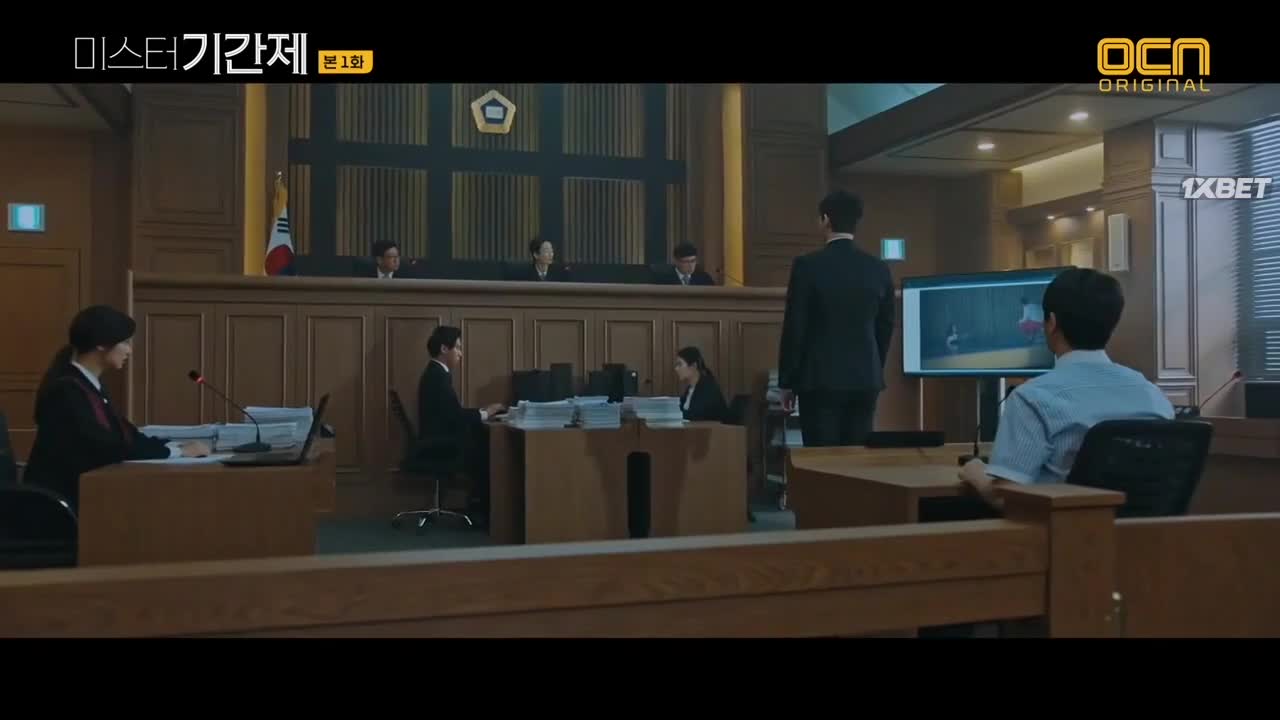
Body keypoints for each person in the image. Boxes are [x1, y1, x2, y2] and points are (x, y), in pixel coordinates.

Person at [959, 268, 1175, 506]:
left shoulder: (1032, 398)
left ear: (1051, 323)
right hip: (1147, 528)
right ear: (1112, 325)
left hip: (1065, 528)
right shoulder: (1152, 395)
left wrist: (975, 471)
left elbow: (1008, 499)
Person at [24, 305, 211, 509]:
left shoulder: (88, 385)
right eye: (125, 343)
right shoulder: (67, 390)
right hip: (61, 505)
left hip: (86, 495)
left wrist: (176, 447)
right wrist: (176, 453)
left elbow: (126, 434)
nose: (129, 350)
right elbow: (107, 446)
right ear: (101, 344)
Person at [777, 190, 895, 447]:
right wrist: (873, 365)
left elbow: (796, 326)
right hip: (865, 378)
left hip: (819, 380)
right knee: (857, 459)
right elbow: (886, 326)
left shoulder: (807, 266)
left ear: (825, 220)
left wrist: (787, 382)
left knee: (822, 461)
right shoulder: (878, 268)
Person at [418, 326, 505, 520]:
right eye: (457, 348)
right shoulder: (437, 376)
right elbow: (454, 416)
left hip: (435, 438)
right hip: (439, 443)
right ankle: (485, 513)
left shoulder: (436, 373)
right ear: (444, 349)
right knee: (487, 450)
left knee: (482, 442)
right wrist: (485, 413)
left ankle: (481, 508)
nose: (460, 353)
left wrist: (482, 412)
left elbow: (451, 413)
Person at [674, 346, 728, 422]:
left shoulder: (708, 388)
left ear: (693, 366)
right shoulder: (690, 389)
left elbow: (697, 415)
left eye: (680, 364)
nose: (676, 368)